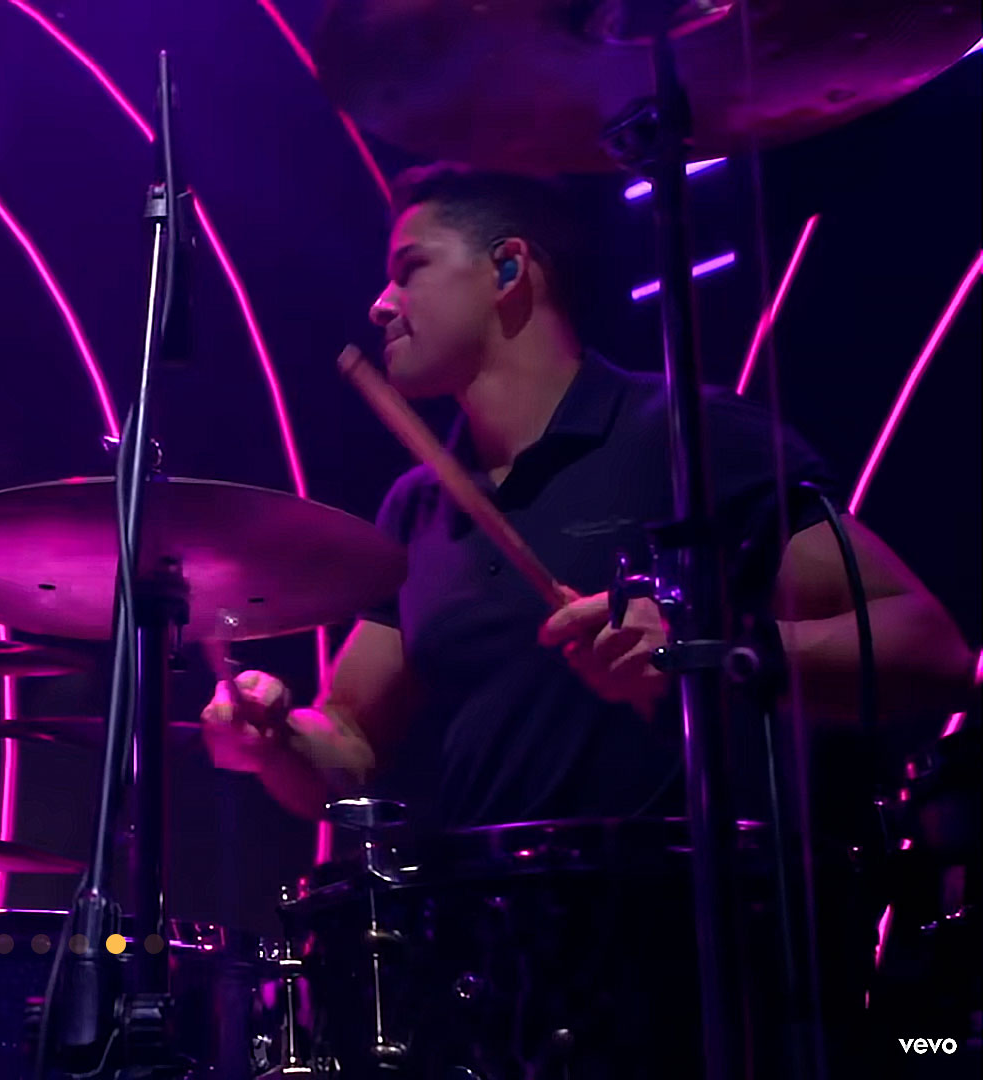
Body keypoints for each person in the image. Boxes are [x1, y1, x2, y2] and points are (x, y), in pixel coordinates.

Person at [199, 163, 975, 1073]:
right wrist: (273, 736)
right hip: (500, 973)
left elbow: (929, 648)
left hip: (698, 961)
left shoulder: (685, 435)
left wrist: (708, 651)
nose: (380, 303)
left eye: (409, 269)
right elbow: (352, 747)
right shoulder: (417, 506)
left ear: (509, 268)